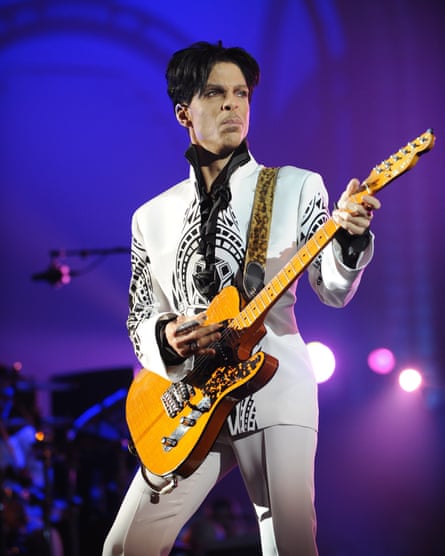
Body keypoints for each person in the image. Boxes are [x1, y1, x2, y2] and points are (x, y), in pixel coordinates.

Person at [102, 41, 380, 556]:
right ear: (185, 112)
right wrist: (166, 334)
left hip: (273, 384)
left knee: (288, 544)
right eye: (215, 94)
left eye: (241, 94)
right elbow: (141, 313)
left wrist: (350, 238)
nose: (233, 105)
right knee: (125, 547)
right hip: (189, 399)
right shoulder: (151, 216)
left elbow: (332, 290)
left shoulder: (296, 187)